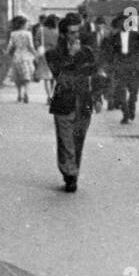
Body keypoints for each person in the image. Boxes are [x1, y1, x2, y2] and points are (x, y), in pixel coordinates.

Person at [46, 13, 96, 192]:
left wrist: (97, 98)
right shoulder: (53, 54)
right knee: (65, 140)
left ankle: (73, 172)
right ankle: (70, 174)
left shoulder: (87, 52)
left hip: (84, 103)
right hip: (63, 103)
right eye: (72, 33)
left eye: (78, 32)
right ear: (63, 35)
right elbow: (61, 77)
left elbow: (93, 73)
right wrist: (72, 59)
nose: (76, 36)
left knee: (78, 141)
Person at [102, 14, 139, 124]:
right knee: (120, 91)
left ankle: (132, 106)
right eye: (121, 22)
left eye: (126, 22)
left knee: (134, 90)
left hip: (133, 65)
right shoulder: (114, 38)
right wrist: (111, 65)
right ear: (119, 24)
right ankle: (125, 114)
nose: (123, 24)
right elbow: (110, 53)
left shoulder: (137, 36)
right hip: (120, 65)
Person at [7, 16, 38, 103]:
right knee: (27, 76)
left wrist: (6, 53)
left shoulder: (13, 34)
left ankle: (19, 94)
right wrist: (35, 54)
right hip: (26, 57)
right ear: (23, 24)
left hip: (16, 56)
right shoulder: (28, 34)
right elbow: (30, 46)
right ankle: (26, 93)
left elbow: (10, 45)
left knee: (17, 77)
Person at [35, 13, 60, 102]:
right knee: (54, 75)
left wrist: (39, 48)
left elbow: (37, 41)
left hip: (44, 53)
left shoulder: (40, 30)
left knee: (46, 76)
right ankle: (53, 93)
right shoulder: (58, 30)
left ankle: (49, 95)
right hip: (56, 53)